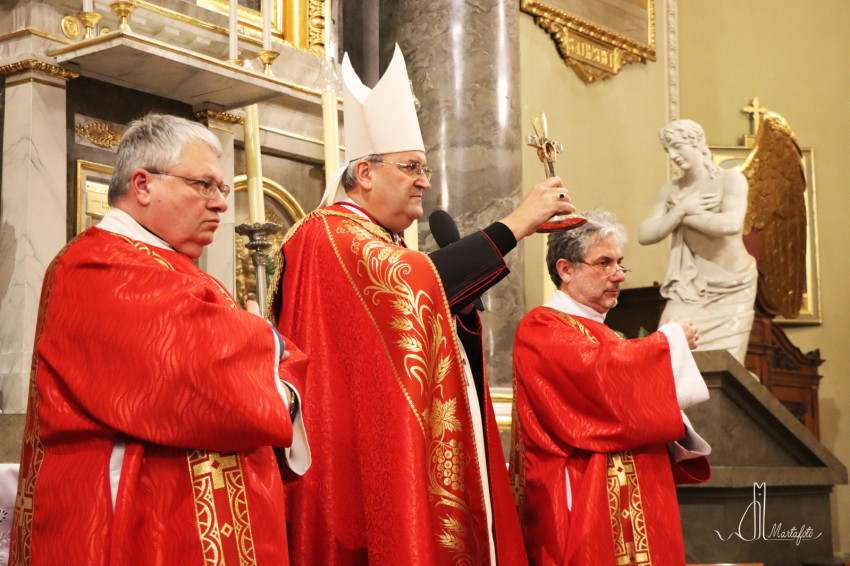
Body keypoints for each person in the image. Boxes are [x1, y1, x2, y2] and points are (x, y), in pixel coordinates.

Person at [271, 45, 575, 566]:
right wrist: (515, 224)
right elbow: (413, 282)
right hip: (347, 456)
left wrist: (461, 310)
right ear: (365, 172)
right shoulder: (329, 234)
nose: (426, 181)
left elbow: (417, 298)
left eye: (426, 168)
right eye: (411, 167)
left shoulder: (376, 240)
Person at [10, 113, 309, 566]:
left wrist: (259, 346)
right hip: (140, 532)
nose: (221, 204)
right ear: (143, 185)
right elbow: (203, 376)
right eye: (203, 185)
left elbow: (250, 355)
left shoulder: (169, 266)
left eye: (222, 189)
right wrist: (267, 349)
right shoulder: (98, 266)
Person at [510, 209, 712, 566]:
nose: (618, 274)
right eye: (604, 263)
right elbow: (600, 379)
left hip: (639, 496)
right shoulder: (542, 326)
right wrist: (670, 341)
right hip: (584, 497)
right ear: (565, 270)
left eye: (620, 263)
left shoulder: (605, 334)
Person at [638, 119, 757, 363]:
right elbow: (645, 234)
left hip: (733, 287)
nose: (673, 155)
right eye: (668, 150)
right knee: (669, 354)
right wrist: (681, 209)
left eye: (678, 146)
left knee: (724, 367)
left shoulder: (730, 179)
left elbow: (731, 225)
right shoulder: (671, 191)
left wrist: (683, 215)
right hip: (690, 287)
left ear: (698, 143)